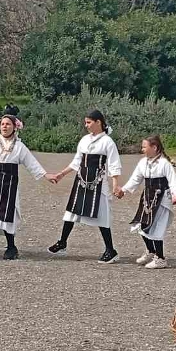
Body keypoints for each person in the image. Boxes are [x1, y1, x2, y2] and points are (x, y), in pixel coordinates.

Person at [0, 114, 54, 260]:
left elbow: (31, 163)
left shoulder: (19, 147)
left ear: (14, 127)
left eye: (8, 124)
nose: (4, 126)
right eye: (2, 124)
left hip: (10, 184)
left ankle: (11, 246)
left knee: (8, 213)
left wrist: (46, 175)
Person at [47, 109, 122, 264]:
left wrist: (116, 184)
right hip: (81, 180)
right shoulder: (84, 140)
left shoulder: (107, 142)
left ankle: (111, 250)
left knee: (102, 215)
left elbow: (114, 164)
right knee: (71, 211)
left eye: (89, 122)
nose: (86, 125)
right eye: (85, 122)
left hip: (98, 182)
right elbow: (77, 161)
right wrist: (62, 174)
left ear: (98, 122)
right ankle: (62, 242)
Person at [119, 135, 176, 269]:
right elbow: (135, 179)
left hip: (161, 199)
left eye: (144, 147)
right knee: (141, 224)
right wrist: (123, 190)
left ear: (154, 147)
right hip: (147, 198)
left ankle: (160, 258)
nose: (142, 149)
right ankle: (151, 250)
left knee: (157, 227)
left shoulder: (164, 163)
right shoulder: (143, 162)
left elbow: (173, 181)